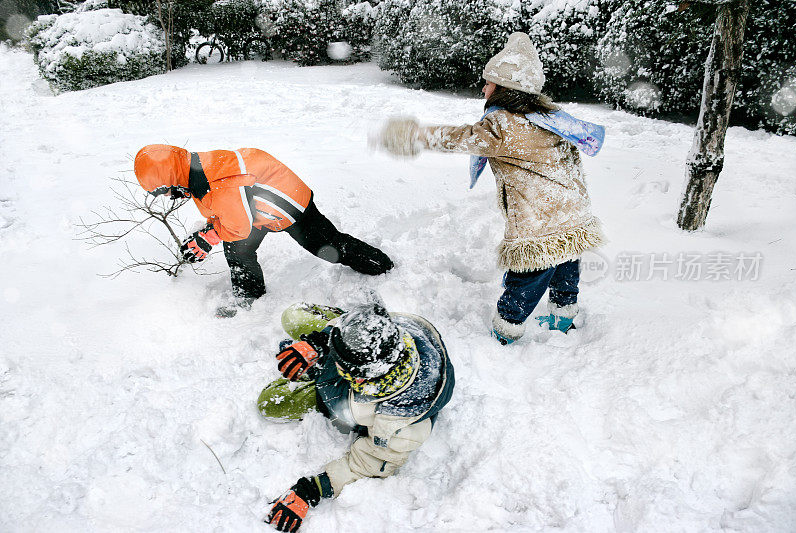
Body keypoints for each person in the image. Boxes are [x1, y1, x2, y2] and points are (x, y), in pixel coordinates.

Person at [377, 32, 606, 344]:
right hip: (571, 208)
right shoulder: (549, 116)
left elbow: (462, 137)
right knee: (565, 263)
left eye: (488, 83)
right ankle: (562, 318)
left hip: (541, 220)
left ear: (505, 88)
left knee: (527, 276)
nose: (483, 89)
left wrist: (415, 135)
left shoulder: (504, 125)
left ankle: (505, 333)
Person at [258, 302, 454, 532]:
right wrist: (319, 342)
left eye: (337, 361)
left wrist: (312, 490)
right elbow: (355, 323)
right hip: (354, 366)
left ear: (358, 379)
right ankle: (334, 354)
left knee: (269, 403)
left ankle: (320, 376)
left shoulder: (399, 426)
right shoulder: (390, 335)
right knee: (292, 316)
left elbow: (368, 464)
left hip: (340, 400)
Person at [133, 145, 394, 316]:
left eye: (164, 190)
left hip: (289, 205)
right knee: (237, 248)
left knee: (329, 248)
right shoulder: (199, 169)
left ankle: (381, 265)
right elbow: (231, 212)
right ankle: (250, 295)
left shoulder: (219, 183)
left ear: (171, 177)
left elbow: (237, 224)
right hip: (256, 208)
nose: (168, 196)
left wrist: (208, 237)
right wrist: (209, 232)